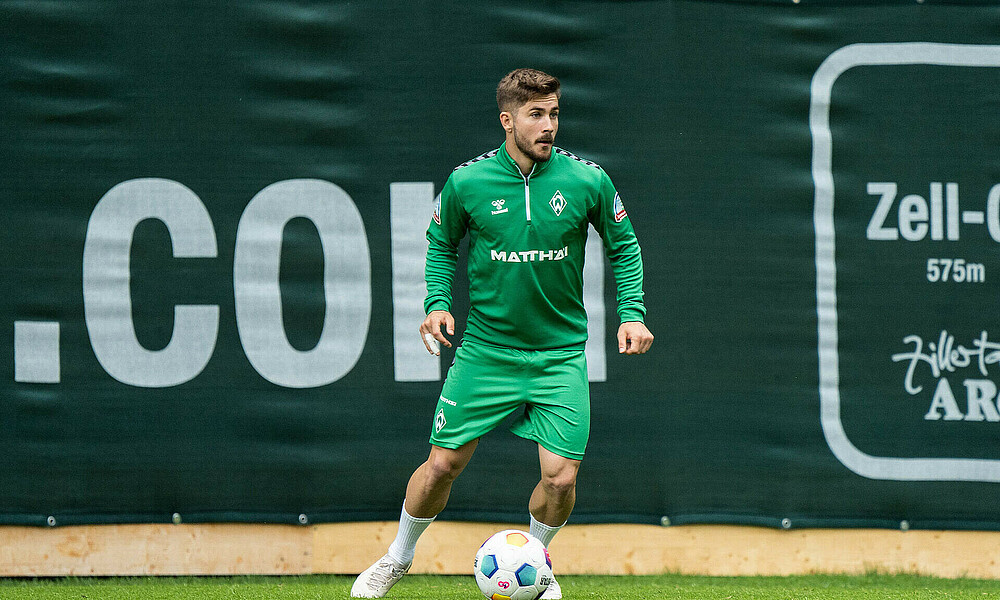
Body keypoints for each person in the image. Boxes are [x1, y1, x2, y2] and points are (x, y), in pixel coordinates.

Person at [351, 68, 653, 599]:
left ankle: (538, 566)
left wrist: (632, 312)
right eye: (536, 115)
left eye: (554, 114)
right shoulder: (467, 182)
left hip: (559, 356)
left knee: (561, 479)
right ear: (507, 119)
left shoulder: (588, 180)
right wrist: (437, 304)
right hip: (486, 352)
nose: (549, 126)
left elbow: (623, 245)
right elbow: (442, 246)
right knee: (442, 465)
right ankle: (397, 558)